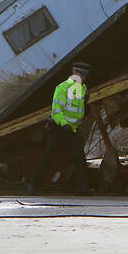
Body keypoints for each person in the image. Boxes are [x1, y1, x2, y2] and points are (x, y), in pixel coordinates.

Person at [28, 62, 93, 195]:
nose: (84, 78)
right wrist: (65, 125)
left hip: (72, 129)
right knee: (48, 156)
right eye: (82, 75)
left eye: (85, 76)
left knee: (79, 158)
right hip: (59, 128)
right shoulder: (62, 88)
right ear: (75, 74)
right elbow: (57, 111)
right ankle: (34, 185)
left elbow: (80, 109)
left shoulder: (83, 89)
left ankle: (82, 188)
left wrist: (73, 125)